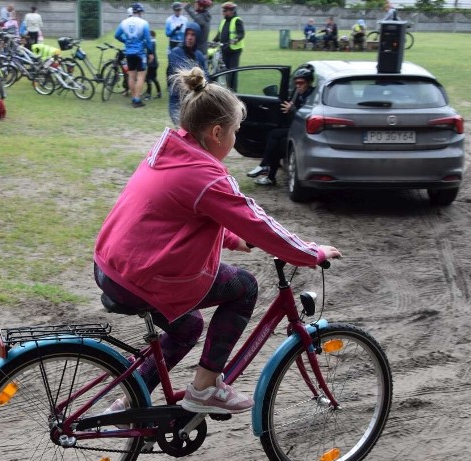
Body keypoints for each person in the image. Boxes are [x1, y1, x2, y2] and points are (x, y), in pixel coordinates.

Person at [94, 66, 341, 414]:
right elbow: (258, 222)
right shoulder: (207, 175)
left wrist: (231, 239)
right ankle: (206, 387)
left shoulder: (171, 153)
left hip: (112, 265)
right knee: (244, 287)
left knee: (188, 326)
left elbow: (178, 215)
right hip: (144, 275)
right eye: (236, 132)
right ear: (216, 132)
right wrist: (309, 252)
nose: (236, 140)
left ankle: (126, 404)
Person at [247, 66, 316, 186]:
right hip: (295, 129)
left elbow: (307, 117)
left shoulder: (312, 96)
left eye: (301, 83)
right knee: (275, 140)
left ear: (309, 83)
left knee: (274, 135)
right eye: (296, 83)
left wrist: (293, 109)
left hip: (305, 132)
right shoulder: (298, 93)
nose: (298, 86)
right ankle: (269, 174)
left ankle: (265, 168)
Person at [167, 21, 208, 125]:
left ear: (197, 37)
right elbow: (183, 74)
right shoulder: (176, 52)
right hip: (177, 100)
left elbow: (207, 76)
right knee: (182, 129)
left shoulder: (199, 55)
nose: (190, 37)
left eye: (193, 35)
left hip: (194, 102)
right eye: (188, 34)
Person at [115, 3, 151, 108]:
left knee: (131, 76)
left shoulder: (124, 22)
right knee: (141, 76)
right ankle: (137, 99)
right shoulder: (144, 23)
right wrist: (151, 52)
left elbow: (116, 35)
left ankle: (133, 97)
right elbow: (148, 40)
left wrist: (125, 41)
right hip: (140, 53)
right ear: (140, 12)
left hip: (129, 53)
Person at [214, 2, 244, 91]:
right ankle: (229, 89)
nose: (223, 12)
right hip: (225, 50)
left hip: (235, 50)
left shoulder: (237, 20)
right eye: (223, 10)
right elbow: (219, 35)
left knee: (233, 71)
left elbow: (241, 34)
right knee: (227, 71)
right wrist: (213, 41)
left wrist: (235, 39)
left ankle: (234, 91)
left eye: (225, 10)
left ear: (232, 11)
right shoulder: (223, 21)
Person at [145, 30, 162, 100]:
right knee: (154, 79)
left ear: (151, 36)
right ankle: (159, 93)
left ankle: (148, 95)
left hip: (152, 64)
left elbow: (149, 53)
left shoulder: (152, 43)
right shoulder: (153, 42)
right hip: (154, 64)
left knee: (148, 79)